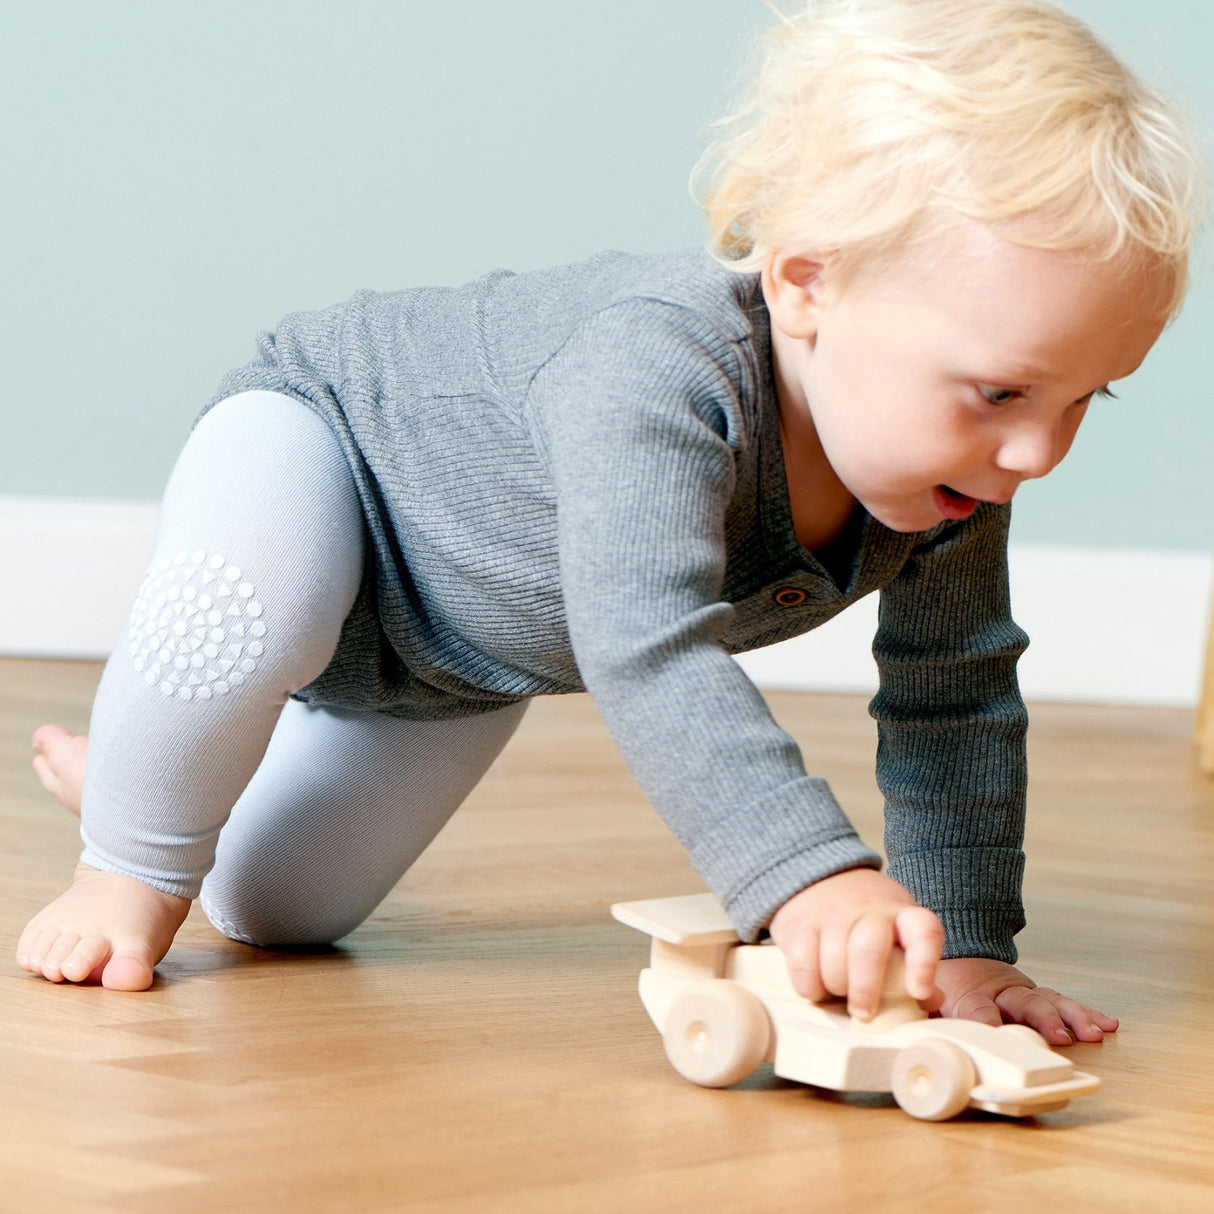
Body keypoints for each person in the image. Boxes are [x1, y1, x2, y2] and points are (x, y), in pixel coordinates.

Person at [16, 0, 1203, 1046]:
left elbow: (953, 692)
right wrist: (809, 878)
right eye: (1000, 390)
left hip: (459, 655)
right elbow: (647, 645)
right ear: (804, 284)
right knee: (239, 622)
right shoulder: (655, 372)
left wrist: (969, 946)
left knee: (281, 912)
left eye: (1080, 397)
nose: (1037, 452)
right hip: (330, 455)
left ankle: (159, 769)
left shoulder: (951, 479)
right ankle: (130, 838)